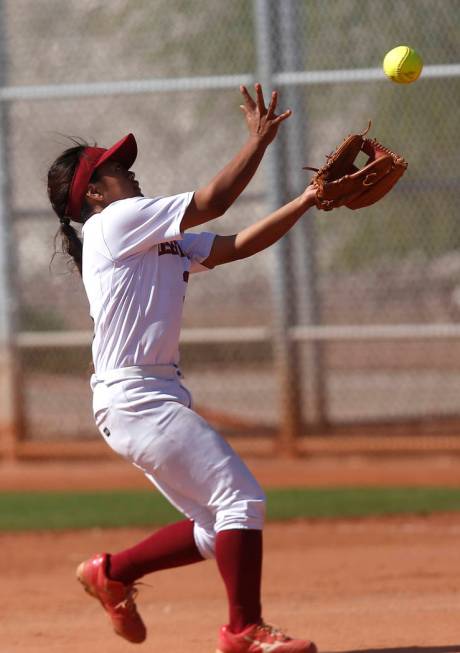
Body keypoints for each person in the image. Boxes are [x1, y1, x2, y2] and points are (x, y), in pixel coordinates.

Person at [47, 84, 323, 653]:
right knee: (241, 502)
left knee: (214, 527)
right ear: (95, 194)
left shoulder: (148, 235)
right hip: (136, 399)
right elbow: (215, 200)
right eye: (115, 168)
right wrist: (258, 142)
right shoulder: (115, 223)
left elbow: (233, 244)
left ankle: (113, 572)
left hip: (149, 398)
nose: (129, 171)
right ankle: (243, 630)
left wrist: (309, 198)